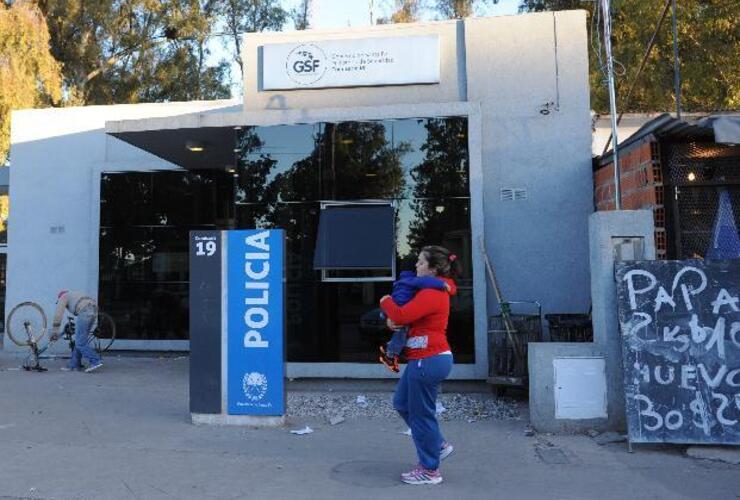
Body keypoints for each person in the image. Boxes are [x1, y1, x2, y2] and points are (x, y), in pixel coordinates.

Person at [379, 245, 460, 485]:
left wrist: (385, 301)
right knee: (402, 403)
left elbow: (401, 314)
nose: (416, 266)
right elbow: (404, 318)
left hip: (429, 359)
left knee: (422, 415)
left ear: (433, 269)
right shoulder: (426, 290)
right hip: (423, 358)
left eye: (421, 263)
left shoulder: (432, 294)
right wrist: (392, 322)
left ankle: (429, 469)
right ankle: (437, 444)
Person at [378, 270, 451, 373]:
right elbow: (427, 282)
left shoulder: (401, 282)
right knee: (402, 332)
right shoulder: (413, 281)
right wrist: (442, 284)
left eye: (421, 263)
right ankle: (390, 353)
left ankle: (391, 350)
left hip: (394, 304)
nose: (418, 266)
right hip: (400, 307)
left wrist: (387, 315)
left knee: (400, 332)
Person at [49, 290, 103, 373]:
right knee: (80, 340)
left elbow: (58, 313)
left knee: (80, 343)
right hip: (93, 310)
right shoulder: (75, 294)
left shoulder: (63, 297)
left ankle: (95, 361)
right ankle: (74, 365)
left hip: (85, 311)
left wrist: (55, 330)